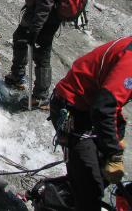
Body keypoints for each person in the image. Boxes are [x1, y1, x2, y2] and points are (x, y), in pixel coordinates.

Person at [49, 36, 132, 211]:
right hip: (72, 109)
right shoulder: (130, 61)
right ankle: (56, 199)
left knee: (100, 175)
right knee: (91, 192)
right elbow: (104, 107)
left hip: (87, 108)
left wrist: (118, 135)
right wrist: (114, 153)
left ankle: (68, 194)